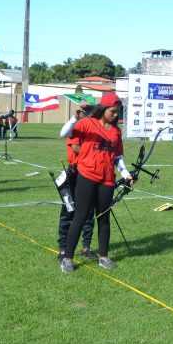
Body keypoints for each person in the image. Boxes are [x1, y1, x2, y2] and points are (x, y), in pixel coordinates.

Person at [58, 92, 134, 273]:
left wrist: (125, 173)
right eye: (113, 112)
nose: (116, 115)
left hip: (107, 179)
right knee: (81, 216)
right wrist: (73, 119)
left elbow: (118, 156)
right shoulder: (87, 123)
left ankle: (103, 256)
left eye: (118, 112)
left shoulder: (116, 131)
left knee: (104, 218)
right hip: (87, 175)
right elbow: (64, 134)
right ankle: (67, 258)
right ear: (103, 109)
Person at [57, 103, 96, 261]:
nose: (89, 115)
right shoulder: (77, 127)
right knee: (68, 210)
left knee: (88, 212)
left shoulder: (94, 128)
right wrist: (75, 117)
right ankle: (63, 248)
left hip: (90, 173)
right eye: (85, 112)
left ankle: (86, 247)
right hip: (75, 172)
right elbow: (74, 146)